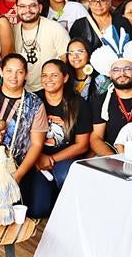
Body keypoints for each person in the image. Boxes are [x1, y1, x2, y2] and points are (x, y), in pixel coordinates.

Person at [0, 54, 53, 218]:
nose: (14, 76)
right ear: (1, 72)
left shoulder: (35, 103)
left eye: (19, 72)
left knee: (25, 212)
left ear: (26, 74)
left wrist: (17, 176)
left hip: (18, 165)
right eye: (9, 71)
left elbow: (36, 145)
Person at [35, 60, 91, 188]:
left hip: (65, 159)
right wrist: (37, 157)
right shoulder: (33, 100)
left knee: (65, 175)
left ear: (65, 78)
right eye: (44, 75)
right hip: (36, 158)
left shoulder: (78, 104)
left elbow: (82, 145)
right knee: (40, 207)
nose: (48, 79)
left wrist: (52, 159)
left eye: (54, 75)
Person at [14, 0, 70, 92]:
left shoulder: (55, 28)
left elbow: (66, 59)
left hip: (50, 89)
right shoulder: (12, 32)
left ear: (40, 8)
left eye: (32, 6)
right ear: (16, 9)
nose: (28, 10)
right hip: (21, 89)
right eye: (22, 6)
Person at [68, 0, 132, 51]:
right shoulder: (79, 24)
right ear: (89, 4)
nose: (98, 4)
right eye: (93, 1)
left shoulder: (122, 22)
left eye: (102, 0)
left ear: (109, 2)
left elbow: (129, 46)